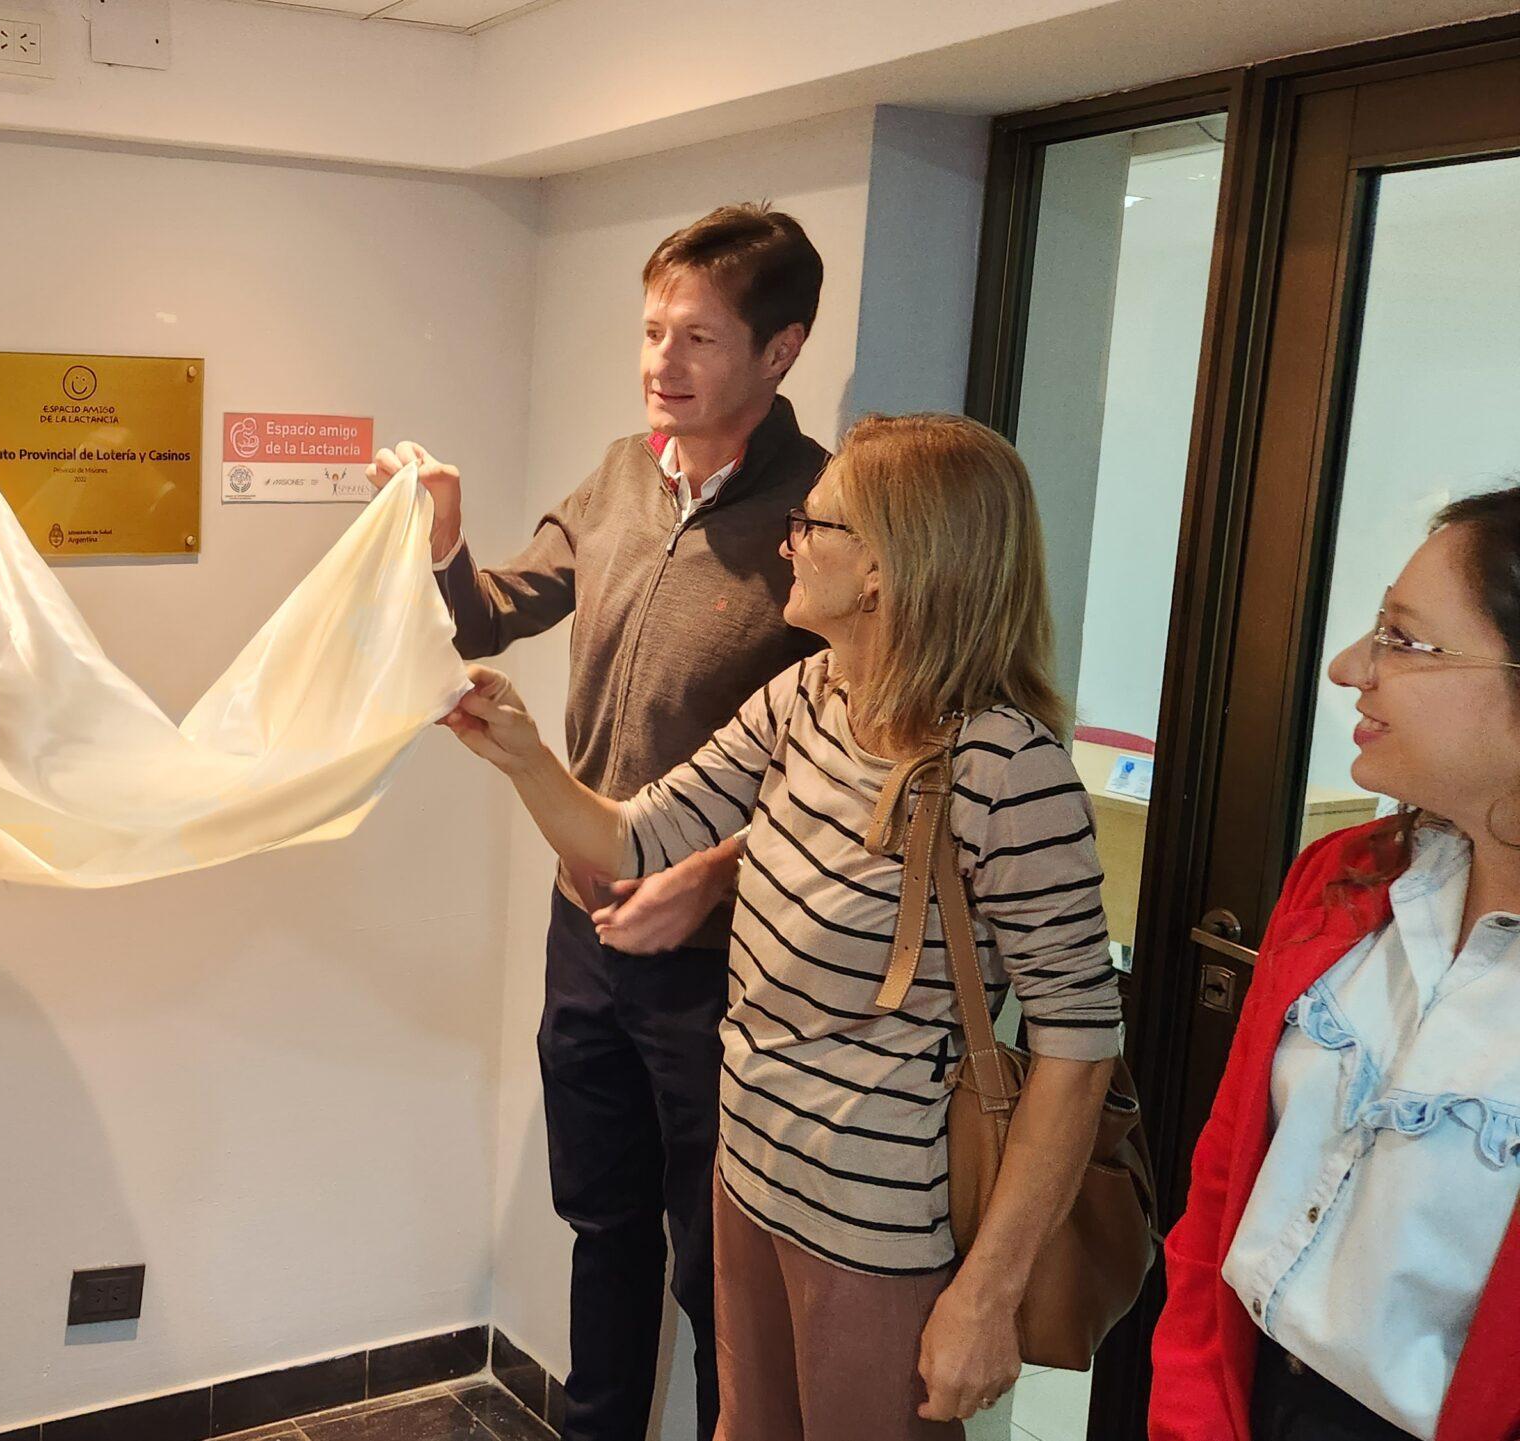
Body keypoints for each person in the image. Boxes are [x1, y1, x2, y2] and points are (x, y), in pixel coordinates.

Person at [443, 413, 1123, 1438]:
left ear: (888, 569)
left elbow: (1078, 1046)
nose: (787, 541)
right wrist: (522, 753)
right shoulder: (809, 693)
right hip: (748, 1171)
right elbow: (631, 838)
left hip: (875, 1226)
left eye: (814, 524)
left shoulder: (1006, 771)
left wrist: (984, 1293)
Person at [363, 203, 830, 1439]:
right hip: (589, 929)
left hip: (724, 963)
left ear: (780, 351)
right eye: (651, 332)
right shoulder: (626, 473)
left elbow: (845, 765)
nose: (660, 365)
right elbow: (491, 613)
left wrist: (717, 877)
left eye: (697, 339)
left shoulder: (824, 516)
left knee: (718, 1263)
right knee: (602, 1221)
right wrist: (447, 546)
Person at [1152, 485, 1520, 1441]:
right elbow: (1222, 1188)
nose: (1351, 666)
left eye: (1404, 638)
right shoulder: (1347, 881)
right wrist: (1192, 1412)